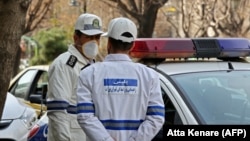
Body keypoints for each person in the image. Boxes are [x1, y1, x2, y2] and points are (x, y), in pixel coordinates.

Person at [76, 17, 165, 141]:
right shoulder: (150, 76)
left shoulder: (89, 74)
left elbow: (84, 116)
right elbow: (156, 117)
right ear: (132, 45)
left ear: (109, 43)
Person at [46, 13, 104, 141]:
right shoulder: (65, 64)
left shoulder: (94, 66)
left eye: (97, 37)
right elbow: (57, 112)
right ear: (76, 38)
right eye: (89, 37)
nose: (94, 42)